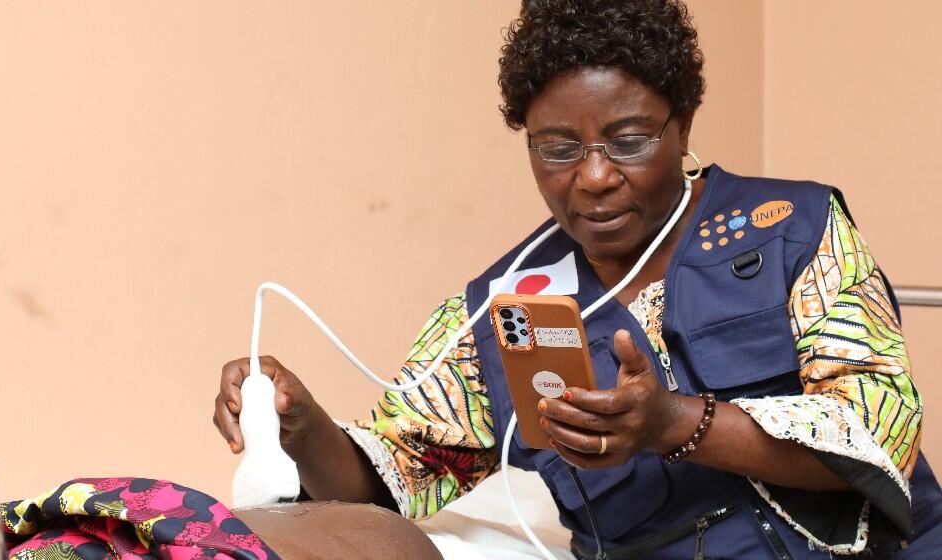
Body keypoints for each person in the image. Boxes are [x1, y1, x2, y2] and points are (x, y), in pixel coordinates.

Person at [213, 1, 942, 557]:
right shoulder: (501, 307)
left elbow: (881, 436)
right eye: (558, 149)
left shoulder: (795, 227)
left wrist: (672, 424)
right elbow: (395, 476)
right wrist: (302, 429)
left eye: (627, 141)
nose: (593, 178)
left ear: (682, 125)